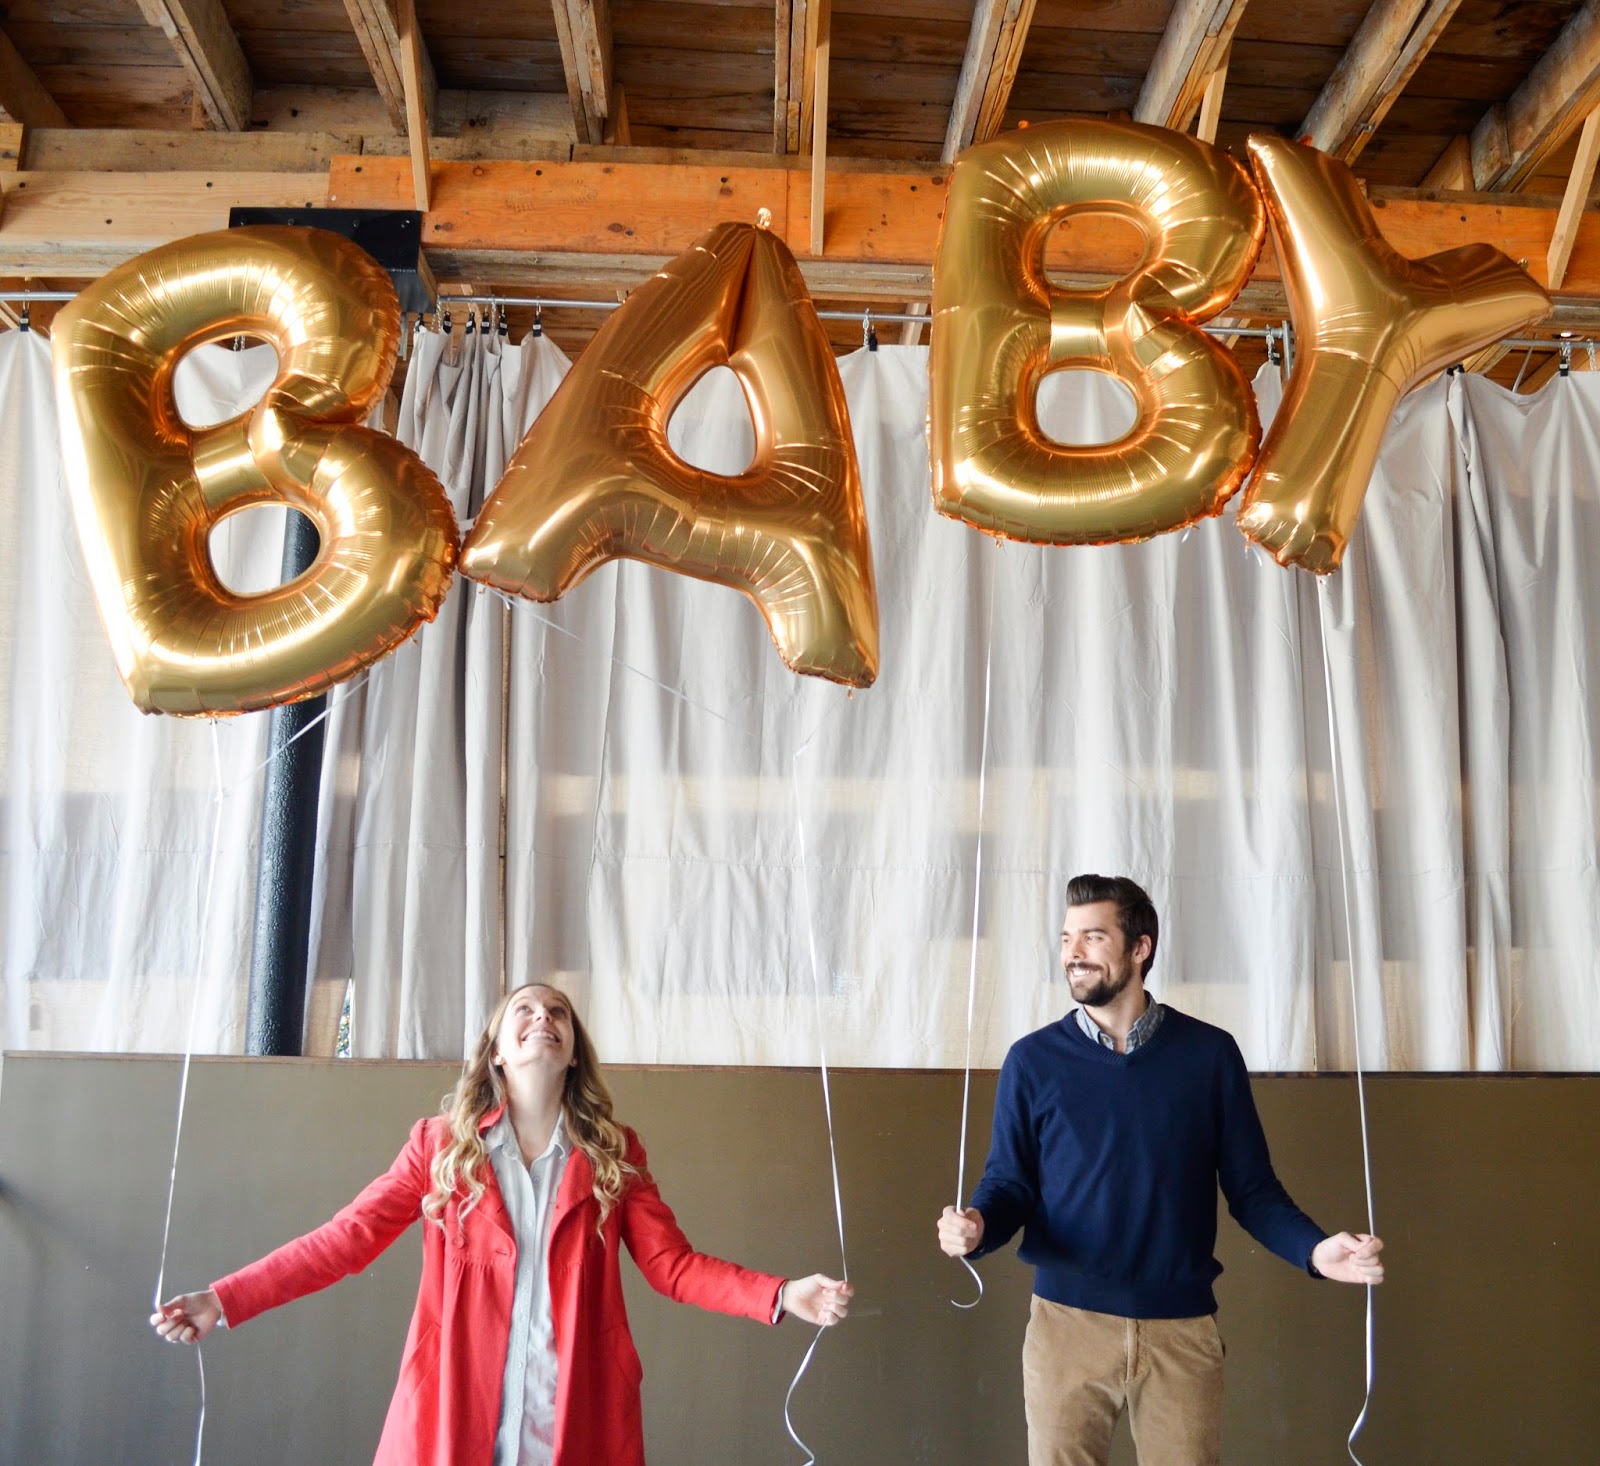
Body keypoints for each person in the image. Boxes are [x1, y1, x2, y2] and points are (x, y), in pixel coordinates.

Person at [152, 982, 851, 1466]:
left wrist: (781, 1293)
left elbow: (673, 1266)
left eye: (558, 1012)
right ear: (497, 1051)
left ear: (573, 1052)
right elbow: (346, 1239)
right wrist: (225, 1298)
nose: (543, 1015)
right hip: (449, 1421)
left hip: (573, 1421)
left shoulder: (617, 1154)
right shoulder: (437, 1147)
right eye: (525, 1009)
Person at [936, 873, 1384, 1466]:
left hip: (1182, 1332)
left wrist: (1316, 1251)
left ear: (1140, 948)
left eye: (1093, 937)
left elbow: (1253, 1190)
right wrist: (977, 1227)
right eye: (1067, 938)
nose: (1073, 953)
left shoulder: (1210, 1055)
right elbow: (1009, 1185)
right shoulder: (1032, 1061)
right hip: (1065, 1328)